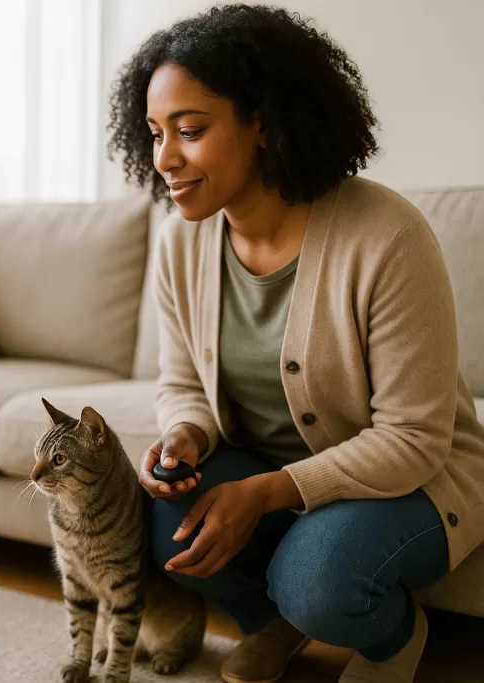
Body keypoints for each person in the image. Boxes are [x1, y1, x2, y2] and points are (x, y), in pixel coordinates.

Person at [106, 4, 484, 683]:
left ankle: (392, 637)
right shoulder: (179, 243)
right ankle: (273, 624)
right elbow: (182, 382)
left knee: (318, 583)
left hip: (411, 480)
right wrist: (184, 433)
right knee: (168, 526)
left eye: (190, 131)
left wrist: (266, 492)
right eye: (155, 133)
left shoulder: (387, 236)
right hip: (269, 466)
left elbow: (414, 438)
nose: (165, 158)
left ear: (264, 123)